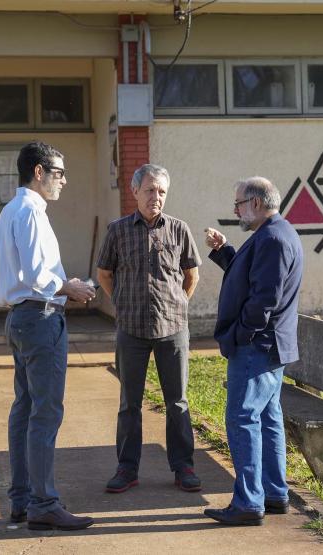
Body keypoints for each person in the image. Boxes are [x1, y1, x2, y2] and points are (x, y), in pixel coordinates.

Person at [0, 141, 96, 531]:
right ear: (38, 172)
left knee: (25, 408)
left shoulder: (11, 209)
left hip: (21, 318)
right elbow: (39, 276)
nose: (63, 181)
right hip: (40, 318)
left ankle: (23, 499)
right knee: (45, 413)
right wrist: (71, 287)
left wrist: (64, 286)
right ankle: (43, 503)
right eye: (58, 173)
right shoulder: (31, 212)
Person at [202, 176, 304, 526]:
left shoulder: (272, 238)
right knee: (268, 418)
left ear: (256, 203)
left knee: (242, 418)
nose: (236, 211)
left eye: (239, 204)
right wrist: (225, 252)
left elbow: (264, 299)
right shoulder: (275, 233)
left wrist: (239, 335)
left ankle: (248, 503)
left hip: (256, 347)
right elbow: (253, 277)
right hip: (269, 346)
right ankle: (274, 493)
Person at [96, 164, 203, 494]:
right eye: (150, 190)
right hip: (131, 329)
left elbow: (192, 275)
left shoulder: (179, 229)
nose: (156, 197)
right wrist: (123, 302)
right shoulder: (117, 231)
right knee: (130, 403)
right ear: (135, 191)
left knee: (177, 402)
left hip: (173, 329)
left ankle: (183, 466)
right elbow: (104, 274)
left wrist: (178, 304)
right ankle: (127, 469)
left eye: (161, 191)